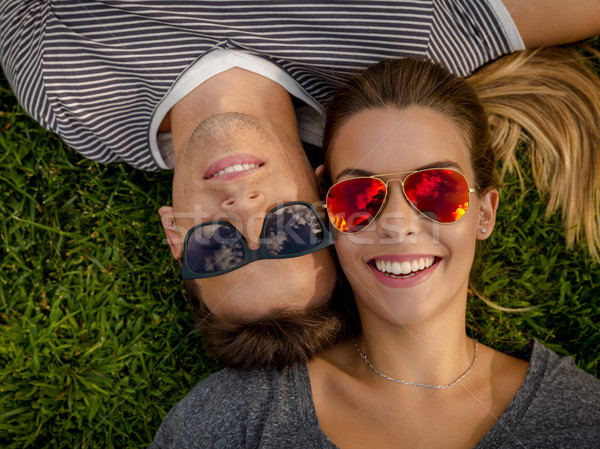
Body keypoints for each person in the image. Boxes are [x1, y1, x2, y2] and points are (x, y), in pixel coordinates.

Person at [2, 1, 600, 369]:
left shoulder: (71, 95)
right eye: (291, 231)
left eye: (220, 248)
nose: (246, 211)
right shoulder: (404, 44)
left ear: (174, 234)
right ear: (325, 196)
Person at [149, 57, 600, 448]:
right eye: (362, 196)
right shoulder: (235, 418)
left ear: (485, 213)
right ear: (326, 214)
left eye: (437, 190)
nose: (398, 225)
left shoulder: (581, 416)